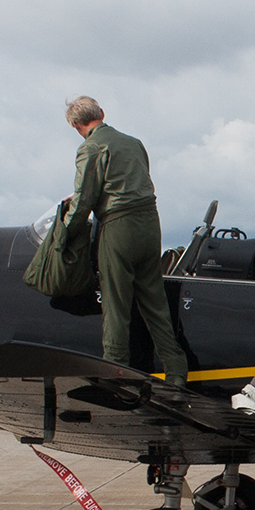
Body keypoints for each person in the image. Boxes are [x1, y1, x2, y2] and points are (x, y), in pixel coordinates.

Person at [65, 97, 187, 386]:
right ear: (102, 114)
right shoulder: (135, 143)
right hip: (149, 225)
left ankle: (114, 372)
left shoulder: (90, 148)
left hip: (118, 227)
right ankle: (177, 371)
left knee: (116, 304)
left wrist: (65, 235)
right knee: (154, 303)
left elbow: (83, 201)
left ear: (76, 126)